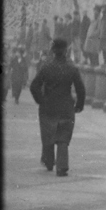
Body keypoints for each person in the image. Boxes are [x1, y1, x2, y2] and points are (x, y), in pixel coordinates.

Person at [29, 38, 86, 176]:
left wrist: (41, 100)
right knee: (63, 137)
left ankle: (49, 161)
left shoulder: (45, 67)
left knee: (48, 135)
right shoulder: (72, 68)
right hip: (66, 107)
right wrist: (79, 105)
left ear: (53, 51)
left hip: (48, 106)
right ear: (66, 51)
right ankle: (62, 166)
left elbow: (34, 86)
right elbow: (81, 90)